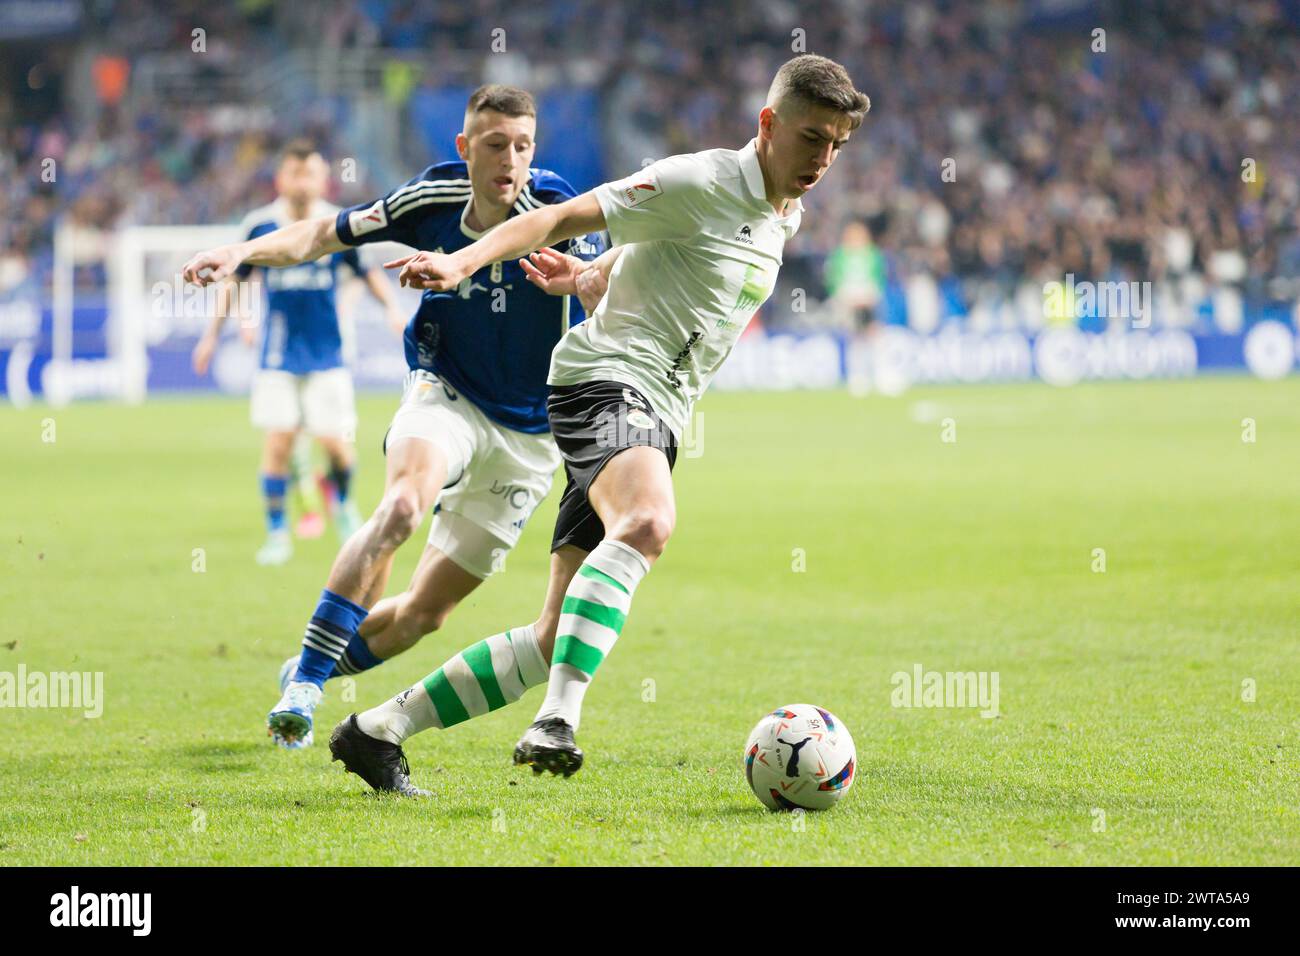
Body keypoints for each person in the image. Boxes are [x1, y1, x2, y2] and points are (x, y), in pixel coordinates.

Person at [326, 54, 870, 795]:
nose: (824, 159)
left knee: (557, 636)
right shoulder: (701, 178)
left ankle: (376, 730)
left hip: (657, 413)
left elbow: (661, 245)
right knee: (646, 521)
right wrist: (460, 266)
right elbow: (559, 215)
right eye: (812, 138)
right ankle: (557, 721)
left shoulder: (784, 210)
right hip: (603, 384)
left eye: (837, 144)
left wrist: (593, 275)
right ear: (768, 123)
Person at [182, 86, 606, 749]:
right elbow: (324, 234)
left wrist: (589, 280)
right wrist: (242, 255)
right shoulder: (429, 201)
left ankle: (316, 663)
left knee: (422, 615)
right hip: (447, 393)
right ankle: (306, 689)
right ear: (465, 149)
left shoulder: (561, 212)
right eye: (495, 145)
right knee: (404, 506)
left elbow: (611, 281)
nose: (511, 160)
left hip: (529, 434)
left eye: (523, 146)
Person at [191, 139, 404, 565]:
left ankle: (341, 506)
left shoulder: (338, 223)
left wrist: (393, 311)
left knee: (338, 446)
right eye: (295, 172)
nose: (303, 180)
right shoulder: (259, 225)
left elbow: (365, 272)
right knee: (278, 442)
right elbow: (237, 280)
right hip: (279, 353)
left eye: (310, 172)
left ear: (324, 178)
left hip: (328, 351)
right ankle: (276, 535)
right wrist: (213, 335)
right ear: (280, 179)